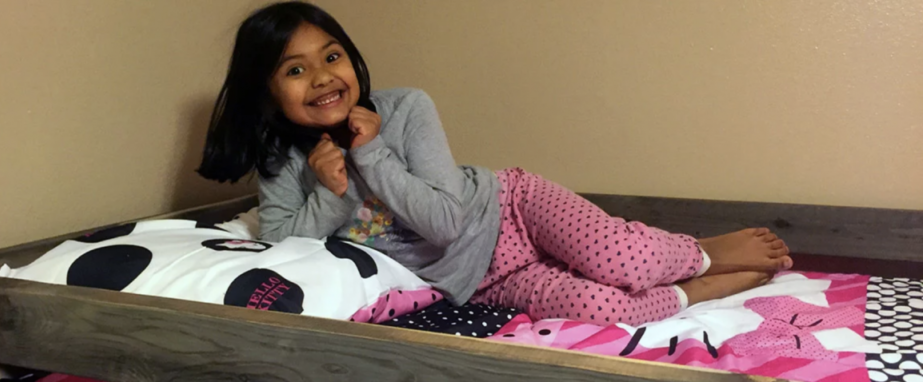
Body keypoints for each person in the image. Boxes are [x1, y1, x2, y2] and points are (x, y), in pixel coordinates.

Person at [198, 1, 793, 326]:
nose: (323, 77)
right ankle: (699, 290)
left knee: (624, 259)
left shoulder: (404, 109)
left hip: (509, 210)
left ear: (352, 59)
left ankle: (699, 252)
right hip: (478, 280)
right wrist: (330, 194)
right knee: (603, 308)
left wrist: (370, 155)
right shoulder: (282, 163)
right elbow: (279, 246)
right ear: (266, 91)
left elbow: (446, 222)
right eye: (295, 69)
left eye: (332, 57)